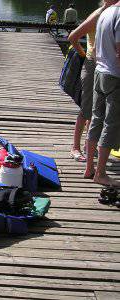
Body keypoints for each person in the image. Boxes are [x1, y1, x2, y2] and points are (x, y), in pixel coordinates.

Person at [68, 0, 117, 163]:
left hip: (102, 67)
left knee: (97, 112)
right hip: (92, 65)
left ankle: (90, 146)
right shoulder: (98, 14)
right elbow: (73, 37)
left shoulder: (111, 13)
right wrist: (84, 55)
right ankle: (75, 147)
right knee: (86, 109)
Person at [84, 2, 120, 187]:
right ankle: (101, 173)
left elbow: (97, 47)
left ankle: (90, 168)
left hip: (99, 71)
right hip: (114, 76)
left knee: (96, 119)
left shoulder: (106, 12)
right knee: (111, 124)